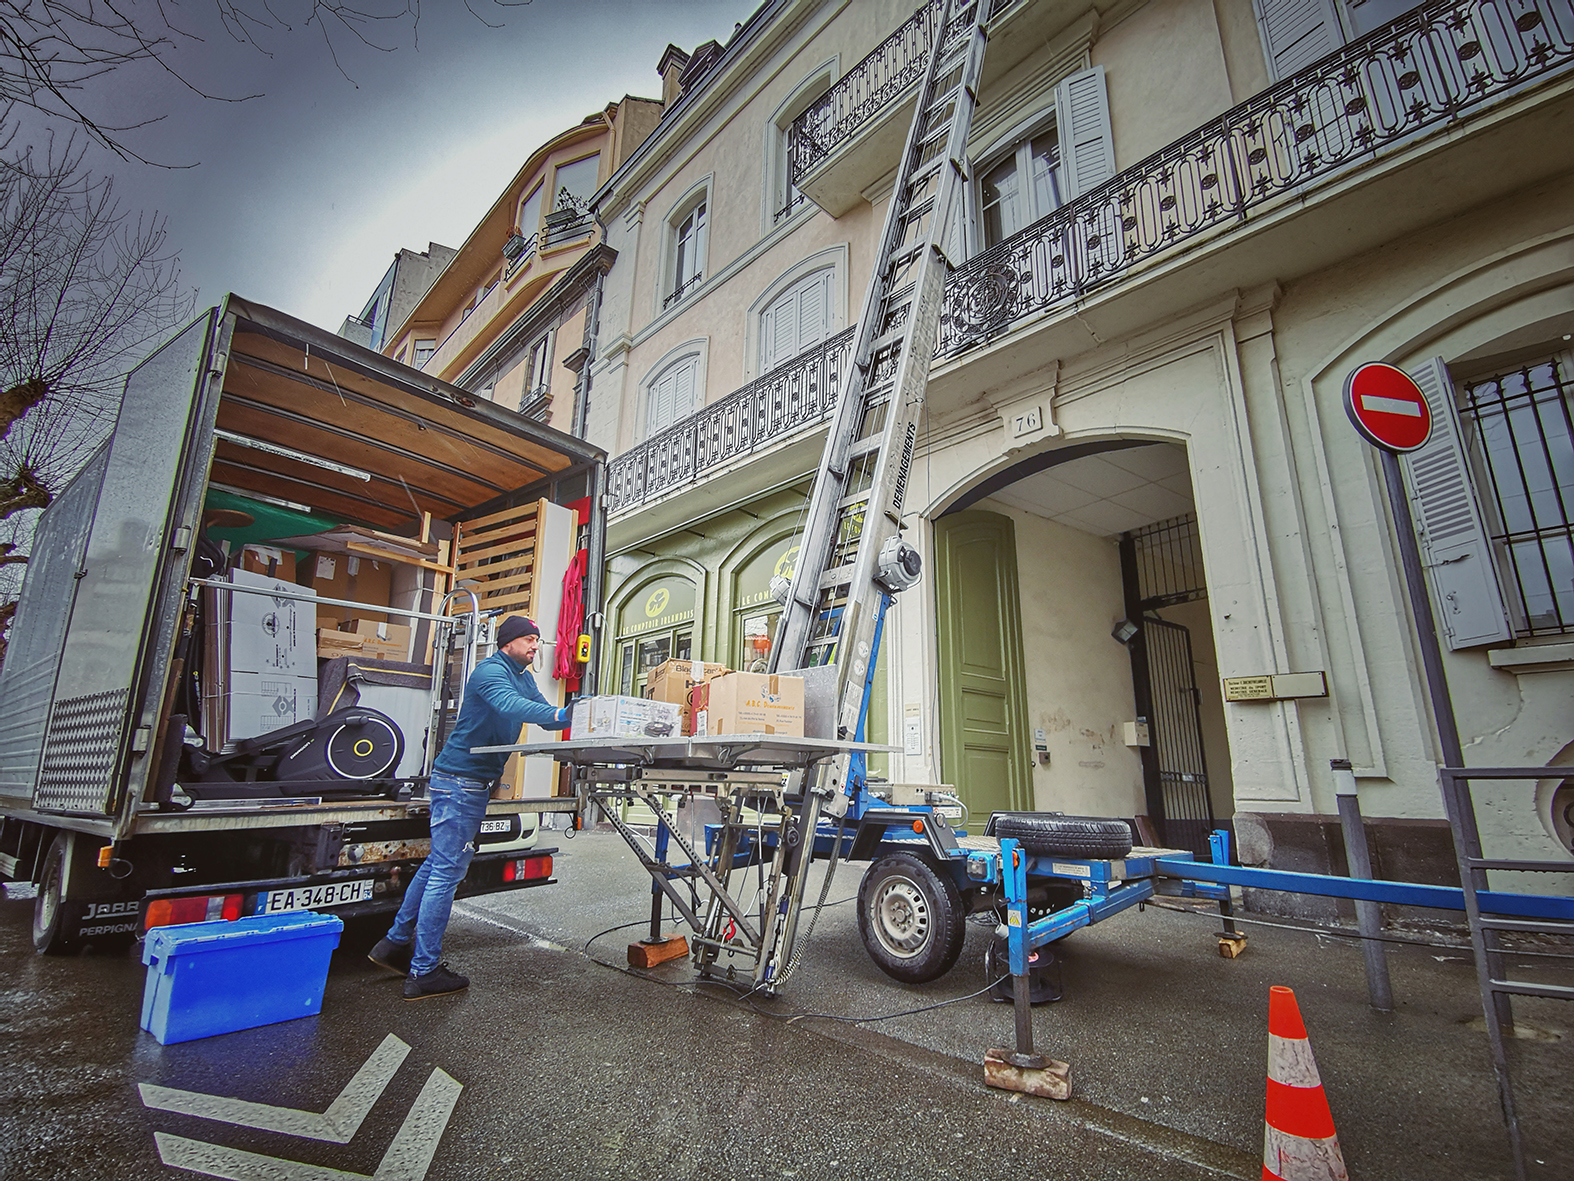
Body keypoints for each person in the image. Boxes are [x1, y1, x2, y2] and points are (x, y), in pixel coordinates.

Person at [369, 614, 570, 999]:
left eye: (537, 640)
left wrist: (584, 713)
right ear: (508, 642)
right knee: (447, 872)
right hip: (459, 782)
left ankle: (394, 943)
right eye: (529, 639)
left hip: (471, 783)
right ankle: (423, 971)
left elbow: (545, 717)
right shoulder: (490, 672)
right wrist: (561, 714)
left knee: (437, 865)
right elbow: (511, 707)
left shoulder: (524, 677)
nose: (535, 646)